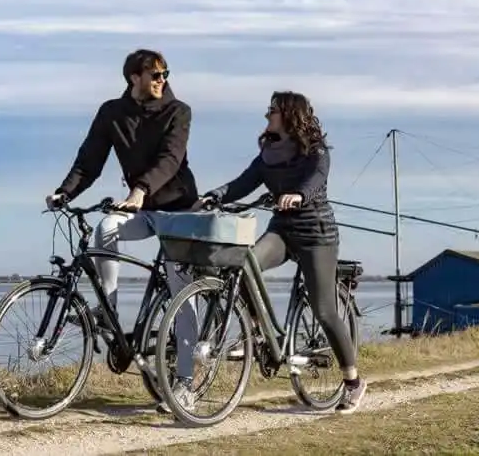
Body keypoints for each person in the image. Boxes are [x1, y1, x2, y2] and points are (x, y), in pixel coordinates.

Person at [194, 91, 367, 415]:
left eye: (272, 111)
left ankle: (354, 382)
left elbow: (315, 180)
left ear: (289, 115)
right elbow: (243, 183)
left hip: (316, 234)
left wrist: (298, 195)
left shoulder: (316, 153)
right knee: (245, 263)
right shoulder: (268, 154)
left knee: (325, 310)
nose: (267, 116)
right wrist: (214, 196)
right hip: (283, 231)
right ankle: (260, 333)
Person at [46, 49, 199, 412]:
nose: (162, 79)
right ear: (134, 77)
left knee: (182, 296)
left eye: (165, 74)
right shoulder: (112, 113)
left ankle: (187, 381)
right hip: (140, 208)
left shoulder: (179, 112)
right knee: (105, 228)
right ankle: (109, 311)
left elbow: (170, 158)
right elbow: (90, 160)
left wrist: (140, 189)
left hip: (179, 211)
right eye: (155, 74)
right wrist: (64, 192)